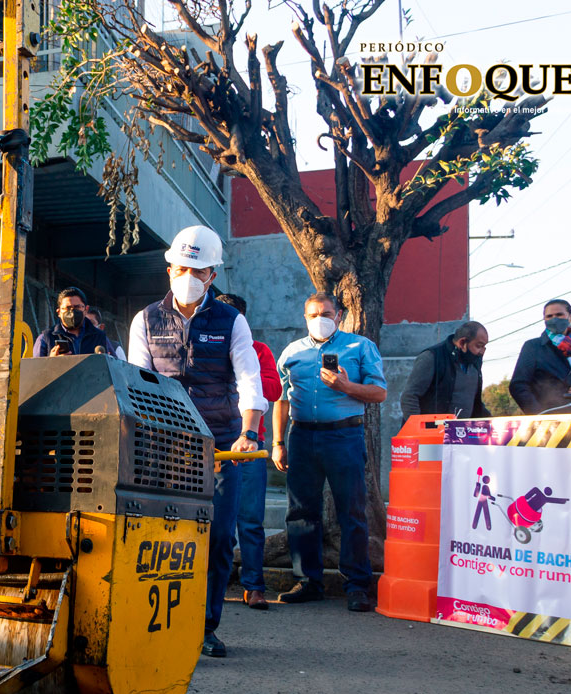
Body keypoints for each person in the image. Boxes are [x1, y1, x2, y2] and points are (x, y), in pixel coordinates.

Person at [129, 226, 265, 657]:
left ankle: (205, 627)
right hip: (165, 447)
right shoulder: (146, 319)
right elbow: (138, 382)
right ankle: (156, 624)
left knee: (219, 538)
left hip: (219, 447)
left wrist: (248, 433)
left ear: (212, 276)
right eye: (181, 268)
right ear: (169, 268)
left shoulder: (231, 321)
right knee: (159, 537)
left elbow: (249, 379)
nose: (188, 276)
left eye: (198, 270)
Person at [273, 293, 387, 612]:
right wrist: (278, 443)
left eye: (325, 313)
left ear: (338, 316)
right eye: (313, 315)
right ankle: (308, 581)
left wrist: (346, 387)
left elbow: (379, 392)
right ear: (304, 317)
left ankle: (357, 585)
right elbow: (281, 400)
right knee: (300, 511)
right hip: (302, 436)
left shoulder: (360, 346)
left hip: (344, 435)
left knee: (351, 510)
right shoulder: (292, 352)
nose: (319, 319)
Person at [214, 292, 281, 611]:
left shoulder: (259, 350)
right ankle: (212, 585)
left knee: (250, 519)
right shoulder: (202, 347)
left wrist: (243, 376)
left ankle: (254, 587)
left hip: (250, 445)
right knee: (214, 521)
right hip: (212, 443)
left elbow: (274, 390)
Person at [510, 299, 571, 415]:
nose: (554, 319)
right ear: (544, 319)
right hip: (549, 419)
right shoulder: (533, 347)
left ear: (570, 317)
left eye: (559, 315)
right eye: (549, 316)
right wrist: (538, 414)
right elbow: (518, 386)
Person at [400, 321, 491, 421]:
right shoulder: (432, 357)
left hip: (462, 430)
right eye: (478, 346)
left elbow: (475, 403)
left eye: (484, 347)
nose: (482, 352)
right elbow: (409, 397)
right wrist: (418, 427)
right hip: (431, 429)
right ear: (462, 343)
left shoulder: (474, 363)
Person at [34, 287, 111, 357]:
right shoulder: (46, 338)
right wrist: (51, 361)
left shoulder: (99, 337)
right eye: (67, 308)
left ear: (86, 310)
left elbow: (114, 365)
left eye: (77, 307)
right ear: (59, 312)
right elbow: (35, 367)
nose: (72, 312)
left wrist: (105, 360)